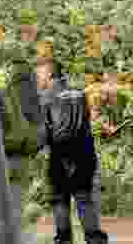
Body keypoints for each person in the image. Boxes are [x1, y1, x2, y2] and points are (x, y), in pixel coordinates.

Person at [39, 60, 108, 244]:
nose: (39, 78)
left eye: (41, 74)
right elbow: (85, 122)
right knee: (84, 200)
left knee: (60, 200)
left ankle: (64, 240)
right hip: (84, 155)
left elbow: (44, 131)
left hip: (60, 157)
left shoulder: (46, 97)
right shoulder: (80, 94)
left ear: (50, 75)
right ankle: (95, 240)